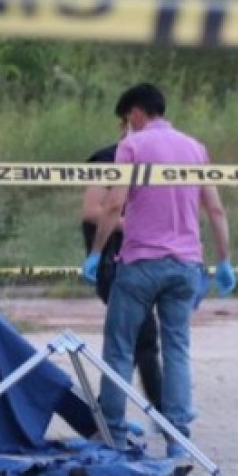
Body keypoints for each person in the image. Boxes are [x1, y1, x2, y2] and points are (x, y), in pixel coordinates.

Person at [84, 83, 234, 460]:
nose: (126, 126)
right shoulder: (195, 148)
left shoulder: (131, 146)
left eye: (126, 118)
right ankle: (178, 438)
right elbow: (215, 209)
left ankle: (114, 435)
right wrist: (224, 260)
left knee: (119, 348)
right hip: (186, 266)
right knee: (177, 349)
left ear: (136, 113)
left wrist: (97, 251)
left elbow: (115, 202)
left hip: (139, 263)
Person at [80, 119, 164, 415]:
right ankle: (159, 411)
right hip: (112, 261)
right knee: (140, 341)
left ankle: (110, 410)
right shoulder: (106, 159)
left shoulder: (150, 163)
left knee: (135, 340)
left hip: (142, 260)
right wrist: (136, 226)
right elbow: (92, 211)